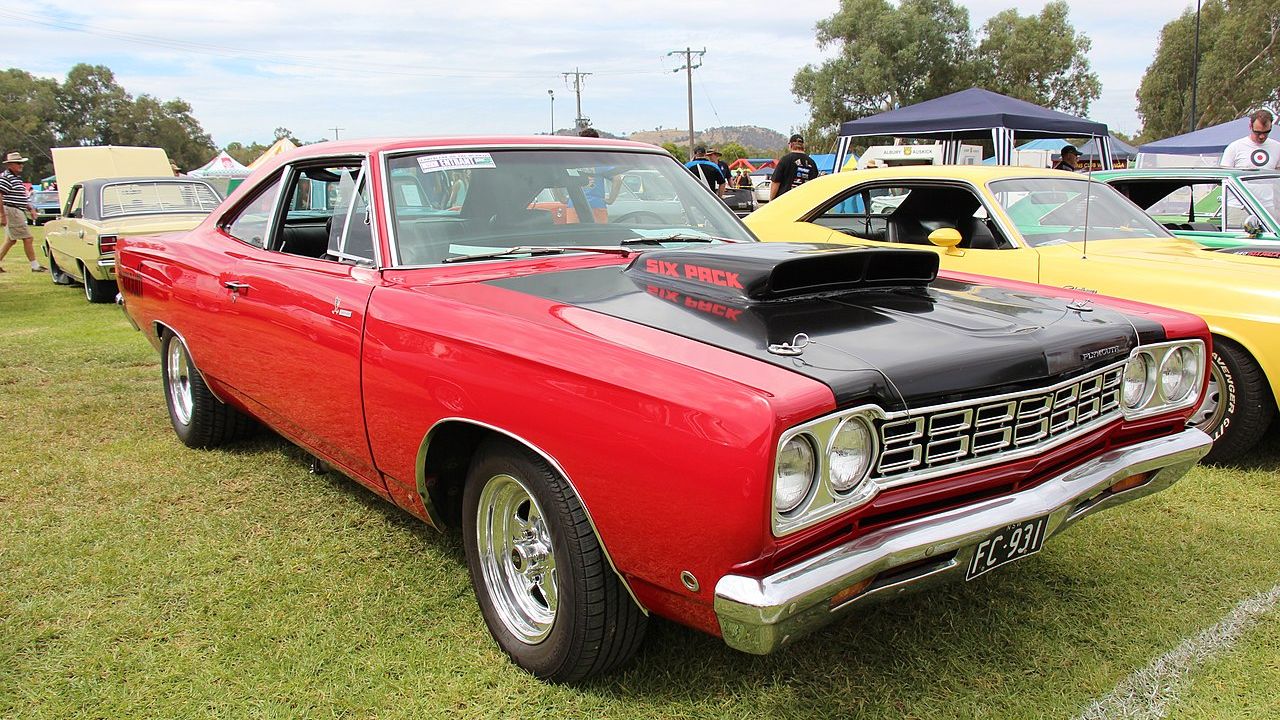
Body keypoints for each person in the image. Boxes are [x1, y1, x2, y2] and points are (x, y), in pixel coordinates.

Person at [0, 151, 46, 273]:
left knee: (11, 240)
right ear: (10, 165)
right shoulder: (6, 177)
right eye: (18, 163)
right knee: (28, 238)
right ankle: (35, 266)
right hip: (12, 210)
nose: (21, 165)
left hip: (15, 209)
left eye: (21, 163)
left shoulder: (16, 178)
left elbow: (20, 196)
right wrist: (2, 215)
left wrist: (30, 208)